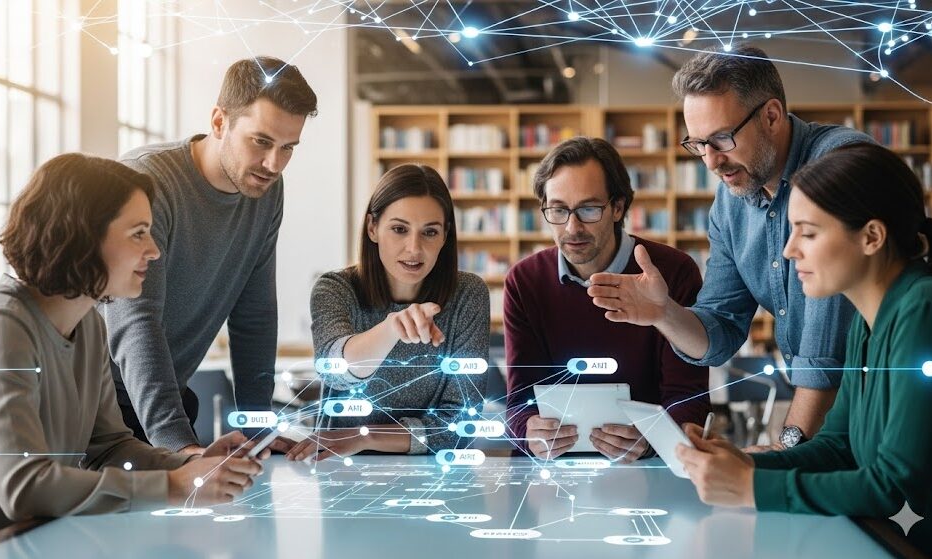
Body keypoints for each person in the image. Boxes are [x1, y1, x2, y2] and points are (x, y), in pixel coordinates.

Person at [0, 154, 265, 548]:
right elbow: (21, 486)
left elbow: (107, 447)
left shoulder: (88, 323)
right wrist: (173, 486)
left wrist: (192, 463)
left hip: (27, 541)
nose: (155, 251)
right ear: (82, 235)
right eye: (139, 233)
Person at [588, 45, 874, 451]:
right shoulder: (730, 202)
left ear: (771, 116)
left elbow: (824, 355)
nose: (710, 161)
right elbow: (720, 331)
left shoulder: (839, 165)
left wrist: (784, 454)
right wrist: (665, 313)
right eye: (698, 144)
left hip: (885, 408)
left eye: (722, 139)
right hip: (836, 426)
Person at [675, 143, 932, 554]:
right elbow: (837, 447)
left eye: (808, 233)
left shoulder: (921, 309)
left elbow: (891, 483)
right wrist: (746, 464)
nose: (789, 249)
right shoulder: (867, 323)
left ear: (871, 237)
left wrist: (751, 488)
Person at [102, 56, 317, 454]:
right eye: (261, 141)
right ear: (219, 122)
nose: (274, 164)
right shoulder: (149, 181)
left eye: (288, 148)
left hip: (166, 399)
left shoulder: (266, 192)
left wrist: (258, 430)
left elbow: (254, 315)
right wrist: (182, 451)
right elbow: (136, 322)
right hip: (97, 406)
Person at [504, 137, 710, 462]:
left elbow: (690, 398)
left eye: (588, 209)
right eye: (558, 210)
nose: (572, 228)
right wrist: (528, 430)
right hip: (553, 472)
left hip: (647, 469)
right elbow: (517, 402)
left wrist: (650, 441)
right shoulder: (524, 281)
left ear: (618, 208)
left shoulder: (673, 272)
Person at [286, 164, 490, 461]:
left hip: (436, 477)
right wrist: (392, 328)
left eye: (430, 232)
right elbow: (335, 372)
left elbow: (458, 427)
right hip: (343, 473)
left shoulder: (468, 294)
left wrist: (362, 436)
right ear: (373, 228)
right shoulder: (335, 288)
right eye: (399, 229)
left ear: (445, 236)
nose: (414, 248)